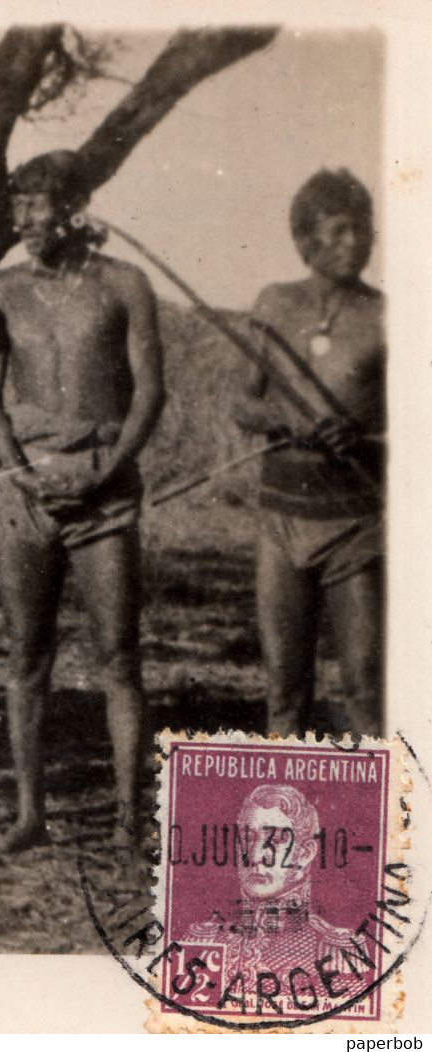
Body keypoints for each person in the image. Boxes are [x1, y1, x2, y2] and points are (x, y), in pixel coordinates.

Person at [0, 150, 165, 852]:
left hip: (103, 490)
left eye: (36, 203)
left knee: (117, 655)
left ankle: (125, 819)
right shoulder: (0, 290)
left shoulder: (124, 283)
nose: (22, 217)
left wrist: (109, 468)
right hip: (24, 492)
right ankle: (28, 814)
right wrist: (14, 471)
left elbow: (149, 390)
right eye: (15, 203)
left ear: (74, 207)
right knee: (26, 654)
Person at [232, 169, 383, 738]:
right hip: (280, 522)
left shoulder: (386, 316)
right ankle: (283, 820)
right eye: (341, 231)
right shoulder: (275, 303)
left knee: (365, 687)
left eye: (363, 230)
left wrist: (365, 437)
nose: (358, 243)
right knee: (285, 688)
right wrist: (281, 418)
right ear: (305, 241)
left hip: (355, 524)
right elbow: (244, 403)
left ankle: (379, 823)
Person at [184, 784, 372, 1010]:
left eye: (276, 840)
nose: (255, 856)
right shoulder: (203, 940)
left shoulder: (337, 950)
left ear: (305, 854)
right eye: (248, 837)